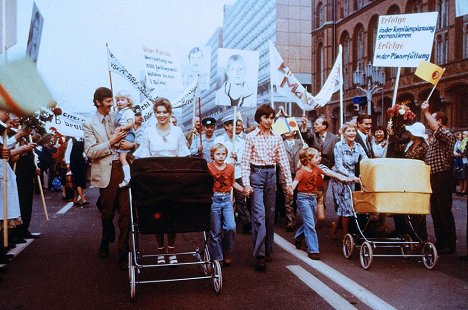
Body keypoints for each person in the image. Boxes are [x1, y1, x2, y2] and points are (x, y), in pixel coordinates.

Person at [133, 97, 190, 264]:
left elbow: (183, 156)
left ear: (170, 113)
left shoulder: (178, 131)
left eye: (165, 112)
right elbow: (144, 157)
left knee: (171, 217)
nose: (162, 115)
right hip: (154, 181)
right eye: (158, 112)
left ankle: (171, 251)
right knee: (157, 216)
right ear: (154, 114)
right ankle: (160, 251)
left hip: (173, 180)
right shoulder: (148, 132)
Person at [83, 87, 132, 270]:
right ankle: (105, 237)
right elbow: (90, 152)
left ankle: (123, 252)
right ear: (98, 102)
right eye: (108, 101)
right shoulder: (89, 123)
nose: (112, 104)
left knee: (126, 214)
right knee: (108, 212)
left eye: (113, 101)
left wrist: (128, 142)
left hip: (123, 167)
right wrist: (111, 142)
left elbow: (129, 135)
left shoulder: (117, 117)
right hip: (106, 172)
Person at [241, 104, 293, 271]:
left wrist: (288, 183)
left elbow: (283, 161)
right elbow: (245, 162)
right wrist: (246, 184)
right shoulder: (250, 137)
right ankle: (260, 254)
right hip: (256, 174)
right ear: (259, 119)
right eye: (266, 117)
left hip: (271, 174)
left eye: (271, 118)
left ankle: (268, 249)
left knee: (270, 215)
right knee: (258, 216)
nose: (269, 121)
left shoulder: (276, 137)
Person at [292, 148, 353, 260]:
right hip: (303, 198)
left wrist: (346, 179)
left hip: (313, 198)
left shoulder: (317, 169)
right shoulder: (301, 171)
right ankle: (313, 250)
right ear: (308, 160)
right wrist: (290, 189)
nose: (319, 158)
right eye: (316, 157)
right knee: (310, 224)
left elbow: (331, 173)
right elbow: (295, 182)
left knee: (311, 221)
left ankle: (298, 237)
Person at [421, 101, 457, 254]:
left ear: (440, 121)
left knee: (444, 210)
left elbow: (436, 129)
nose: (429, 123)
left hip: (442, 175)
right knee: (436, 210)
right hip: (434, 176)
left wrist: (427, 112)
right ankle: (441, 241)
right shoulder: (435, 137)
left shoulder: (446, 134)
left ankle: (449, 242)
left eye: (433, 120)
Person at [390, 122, 429, 240]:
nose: (408, 134)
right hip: (407, 179)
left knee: (417, 209)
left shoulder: (424, 147)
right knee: (408, 208)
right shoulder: (409, 144)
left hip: (418, 180)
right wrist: (392, 134)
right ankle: (408, 234)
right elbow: (397, 148)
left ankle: (420, 237)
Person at [207, 143, 243, 266]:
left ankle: (227, 250)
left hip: (227, 200)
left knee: (230, 227)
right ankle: (217, 257)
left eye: (223, 154)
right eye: (218, 154)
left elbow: (232, 182)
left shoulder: (230, 167)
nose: (221, 156)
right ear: (212, 155)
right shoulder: (208, 167)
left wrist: (244, 189)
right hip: (214, 200)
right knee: (215, 231)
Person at [214, 114, 250, 234]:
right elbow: (215, 156)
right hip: (222, 175)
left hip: (237, 173)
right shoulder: (219, 140)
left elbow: (245, 157)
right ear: (226, 126)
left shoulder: (241, 141)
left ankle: (246, 223)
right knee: (225, 199)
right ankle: (222, 223)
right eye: (233, 125)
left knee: (241, 199)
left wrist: (237, 157)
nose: (236, 127)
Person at [330, 122, 367, 239]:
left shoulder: (358, 146)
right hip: (339, 178)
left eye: (353, 131)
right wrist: (352, 177)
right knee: (346, 206)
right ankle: (345, 235)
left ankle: (336, 224)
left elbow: (366, 161)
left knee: (346, 205)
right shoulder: (338, 146)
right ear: (343, 133)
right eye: (349, 131)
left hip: (352, 179)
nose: (352, 133)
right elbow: (339, 166)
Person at [301, 116, 339, 210]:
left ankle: (321, 218)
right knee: (313, 194)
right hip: (313, 170)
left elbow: (336, 153)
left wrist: (334, 165)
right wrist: (304, 126)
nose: (314, 126)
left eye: (317, 124)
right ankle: (313, 216)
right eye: (314, 124)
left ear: (324, 126)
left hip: (327, 170)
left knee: (323, 195)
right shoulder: (312, 135)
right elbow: (305, 136)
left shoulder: (334, 138)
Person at [279, 130, 303, 231]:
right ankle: (290, 221)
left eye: (290, 129)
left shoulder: (301, 142)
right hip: (285, 174)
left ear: (295, 131)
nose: (287, 131)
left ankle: (299, 218)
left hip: (299, 174)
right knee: (288, 197)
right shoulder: (280, 143)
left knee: (299, 197)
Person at [113, 91, 135, 188]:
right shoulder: (119, 112)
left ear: (128, 102)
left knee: (122, 157)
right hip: (122, 134)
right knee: (119, 157)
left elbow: (130, 124)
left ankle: (127, 178)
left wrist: (121, 128)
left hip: (127, 134)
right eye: (118, 100)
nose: (119, 102)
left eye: (122, 100)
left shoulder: (128, 112)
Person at [64, 138, 89, 207]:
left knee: (81, 181)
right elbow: (68, 151)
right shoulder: (72, 139)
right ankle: (83, 200)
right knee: (78, 181)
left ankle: (75, 199)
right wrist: (68, 162)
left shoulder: (84, 138)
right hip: (74, 161)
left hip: (82, 161)